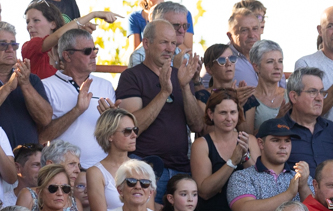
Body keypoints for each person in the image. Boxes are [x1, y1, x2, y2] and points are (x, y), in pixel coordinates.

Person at [115, 20, 203, 199]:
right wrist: (164, 93)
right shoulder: (131, 76)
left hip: (180, 170)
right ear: (146, 43)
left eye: (173, 43)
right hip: (145, 169)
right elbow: (133, 127)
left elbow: (197, 125)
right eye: (164, 42)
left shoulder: (182, 75)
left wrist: (185, 86)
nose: (170, 48)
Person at [41, 29, 114, 170]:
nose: (93, 55)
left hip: (101, 171)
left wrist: (114, 119)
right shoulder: (46, 86)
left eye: (95, 50)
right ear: (67, 56)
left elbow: (114, 135)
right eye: (87, 51)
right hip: (62, 173)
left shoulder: (106, 85)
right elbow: (43, 136)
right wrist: (77, 110)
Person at [279, 67, 333, 176]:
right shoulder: (278, 130)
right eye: (313, 92)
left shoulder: (332, 129)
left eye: (321, 92)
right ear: (294, 97)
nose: (319, 98)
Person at [0, 20, 52, 150]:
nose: (10, 50)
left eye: (13, 44)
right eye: (3, 45)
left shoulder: (31, 79)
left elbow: (45, 119)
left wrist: (25, 84)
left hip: (28, 163)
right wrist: (8, 87)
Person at [195, 43, 259, 134]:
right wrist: (234, 102)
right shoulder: (203, 96)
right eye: (221, 60)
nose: (228, 64)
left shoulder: (246, 96)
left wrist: (238, 106)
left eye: (232, 59)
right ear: (209, 69)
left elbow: (248, 135)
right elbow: (207, 133)